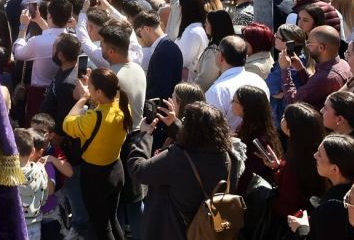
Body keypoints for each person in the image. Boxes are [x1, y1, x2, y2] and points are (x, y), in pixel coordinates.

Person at [128, 101, 242, 240]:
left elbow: (139, 170)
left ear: (190, 129)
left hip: (174, 230)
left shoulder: (178, 158)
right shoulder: (228, 155)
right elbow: (198, 142)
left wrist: (144, 136)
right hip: (209, 228)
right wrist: (174, 124)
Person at [63, 68, 131, 240]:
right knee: (112, 219)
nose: (88, 89)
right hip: (116, 169)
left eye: (91, 87)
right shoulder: (123, 106)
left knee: (102, 227)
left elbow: (67, 124)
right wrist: (94, 88)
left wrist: (84, 98)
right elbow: (103, 108)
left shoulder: (94, 118)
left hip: (95, 176)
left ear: (100, 91)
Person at [286, 134, 354, 240]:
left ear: (334, 169)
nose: (315, 156)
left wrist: (302, 227)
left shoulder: (332, 208)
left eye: (320, 154)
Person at [205, 36, 269, 130]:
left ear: (221, 56)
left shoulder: (218, 91)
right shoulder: (259, 81)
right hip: (258, 142)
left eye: (217, 50)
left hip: (228, 143)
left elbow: (210, 128)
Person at [284, 26, 352, 109]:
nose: (306, 46)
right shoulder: (343, 63)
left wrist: (285, 69)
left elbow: (293, 102)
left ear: (321, 48)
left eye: (309, 43)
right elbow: (314, 85)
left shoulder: (325, 78)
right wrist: (300, 69)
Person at [15, 128, 52, 240]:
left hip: (15, 223)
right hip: (35, 223)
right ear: (32, 152)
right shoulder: (41, 170)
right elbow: (45, 195)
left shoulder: (8, 176)